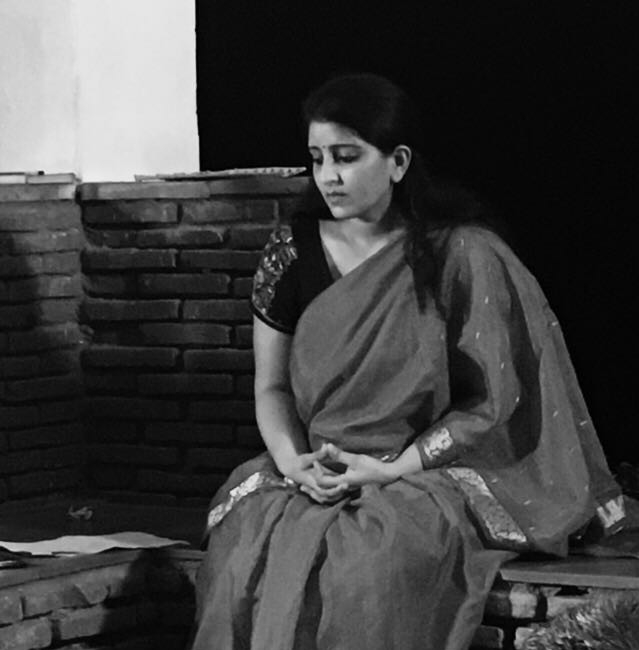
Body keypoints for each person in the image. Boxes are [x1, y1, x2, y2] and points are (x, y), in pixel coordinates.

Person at [190, 73, 625, 650]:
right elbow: (271, 387)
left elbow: (490, 399)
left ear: (397, 162)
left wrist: (391, 469)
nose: (328, 176)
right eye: (317, 159)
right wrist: (295, 465)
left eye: (346, 157)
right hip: (315, 466)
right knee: (243, 549)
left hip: (417, 472)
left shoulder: (461, 253)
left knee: (371, 563)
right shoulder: (291, 251)